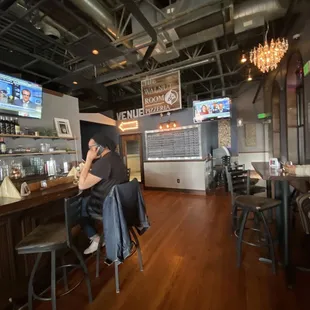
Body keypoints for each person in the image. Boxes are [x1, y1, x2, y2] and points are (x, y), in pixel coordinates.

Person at [78, 133, 128, 254]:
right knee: (86, 201)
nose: (90, 150)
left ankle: (96, 239)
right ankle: (103, 237)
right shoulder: (115, 157)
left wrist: (88, 160)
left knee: (80, 209)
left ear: (99, 147)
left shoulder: (104, 162)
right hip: (120, 203)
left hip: (108, 207)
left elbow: (81, 185)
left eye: (91, 147)